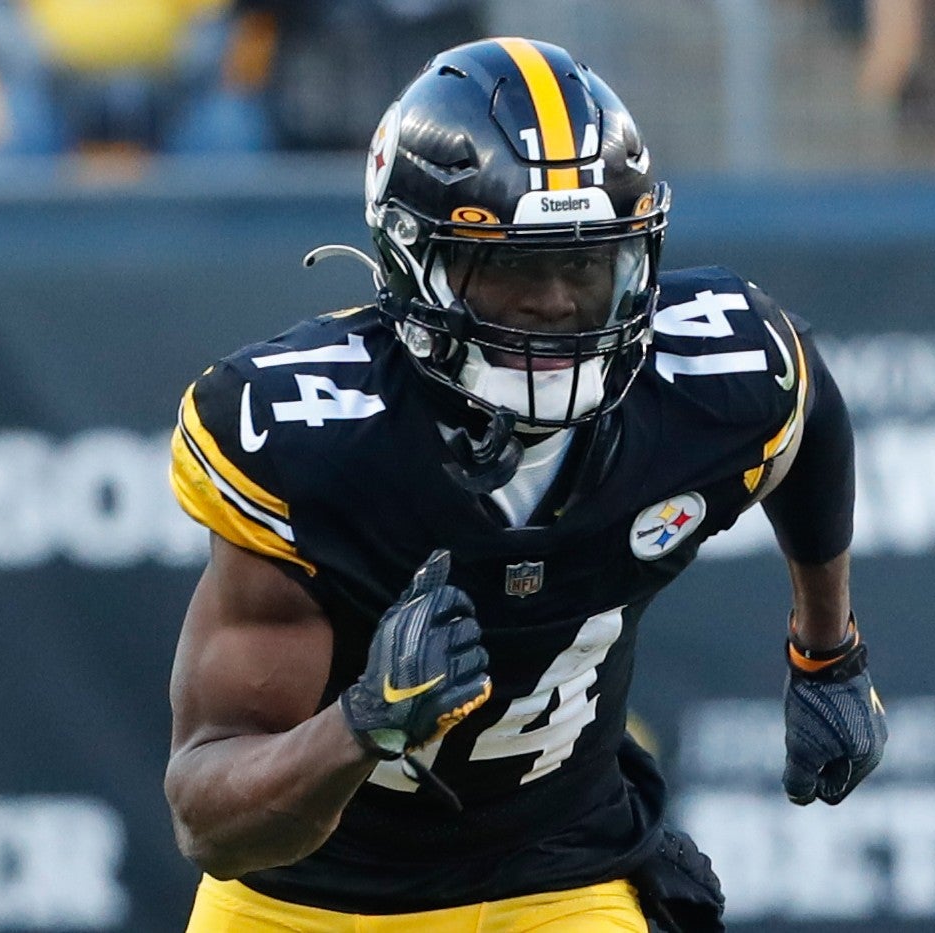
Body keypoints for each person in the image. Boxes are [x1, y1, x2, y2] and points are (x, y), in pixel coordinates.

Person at [165, 36, 888, 932]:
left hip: (560, 878)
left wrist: (830, 653)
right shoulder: (311, 440)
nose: (553, 302)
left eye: (585, 265)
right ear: (408, 259)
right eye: (511, 268)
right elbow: (207, 818)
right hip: (307, 902)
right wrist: (359, 724)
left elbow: (808, 408)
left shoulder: (712, 370)